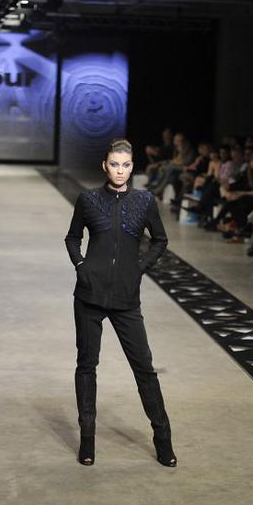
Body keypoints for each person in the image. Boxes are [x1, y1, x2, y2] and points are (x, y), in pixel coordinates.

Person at [63, 138, 175, 468]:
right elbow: (72, 237)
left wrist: (139, 267)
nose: (120, 171)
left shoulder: (144, 201)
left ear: (132, 166)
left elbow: (160, 240)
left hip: (126, 298)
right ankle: (87, 440)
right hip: (89, 295)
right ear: (105, 166)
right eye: (114, 164)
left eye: (126, 165)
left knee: (144, 368)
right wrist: (81, 265)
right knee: (87, 365)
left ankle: (163, 439)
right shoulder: (88, 199)